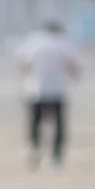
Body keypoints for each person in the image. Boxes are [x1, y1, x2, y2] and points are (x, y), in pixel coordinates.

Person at [17, 14, 77, 163]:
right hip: (57, 88)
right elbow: (71, 65)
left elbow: (23, 63)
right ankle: (56, 154)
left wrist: (27, 77)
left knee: (35, 122)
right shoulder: (62, 43)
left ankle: (34, 148)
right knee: (58, 123)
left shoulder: (33, 42)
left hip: (35, 88)